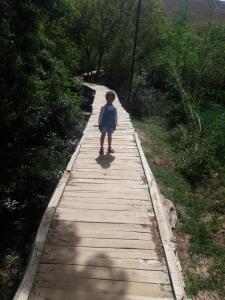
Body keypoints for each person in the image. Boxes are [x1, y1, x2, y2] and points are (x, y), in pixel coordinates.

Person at [98, 90, 117, 155]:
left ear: (113, 99)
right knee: (103, 135)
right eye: (108, 98)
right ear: (106, 98)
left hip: (111, 125)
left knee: (110, 136)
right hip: (104, 125)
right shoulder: (103, 107)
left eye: (111, 98)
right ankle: (101, 148)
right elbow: (100, 116)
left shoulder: (114, 108)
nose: (110, 100)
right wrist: (99, 124)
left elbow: (115, 117)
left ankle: (109, 147)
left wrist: (115, 125)